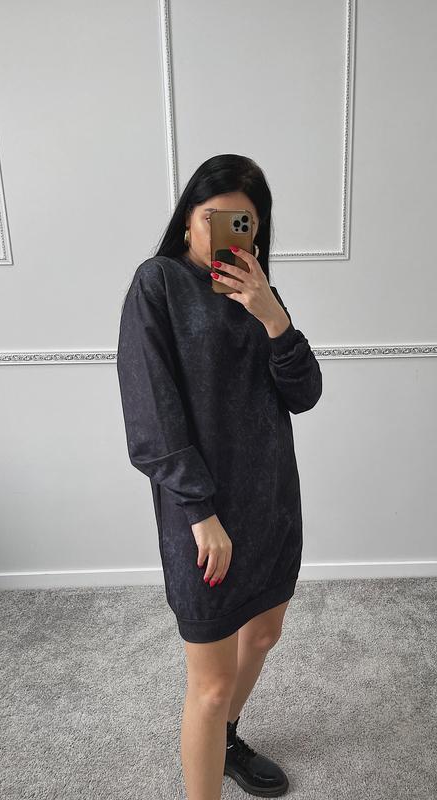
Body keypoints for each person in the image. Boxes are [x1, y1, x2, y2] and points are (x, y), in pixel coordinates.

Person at [116, 154, 322, 799]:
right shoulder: (157, 284)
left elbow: (305, 394)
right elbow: (152, 415)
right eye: (214, 218)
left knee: (263, 633)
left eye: (244, 223)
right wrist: (200, 512)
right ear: (188, 220)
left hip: (272, 501)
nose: (228, 233)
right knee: (208, 684)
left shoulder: (260, 292)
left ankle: (228, 740)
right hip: (202, 517)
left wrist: (272, 316)